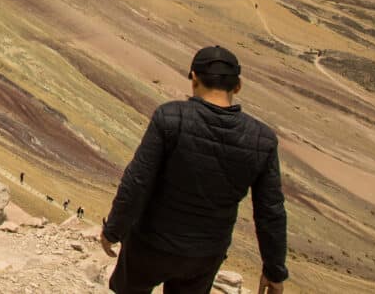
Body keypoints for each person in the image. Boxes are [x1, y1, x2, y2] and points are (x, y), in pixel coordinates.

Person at [99, 46, 288, 294]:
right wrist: (274, 271)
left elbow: (137, 181)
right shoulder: (262, 140)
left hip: (150, 245)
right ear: (238, 86)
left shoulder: (170, 117)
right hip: (204, 256)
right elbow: (270, 212)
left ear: (194, 79)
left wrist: (113, 229)